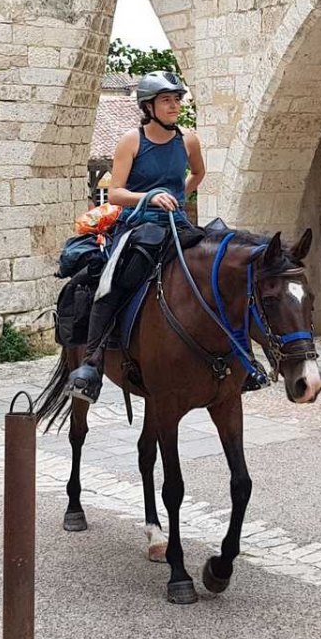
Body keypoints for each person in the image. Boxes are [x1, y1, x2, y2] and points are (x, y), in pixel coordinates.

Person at [66, 70, 206, 403]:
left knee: (216, 265)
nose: (174, 106)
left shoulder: (188, 140)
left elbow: (199, 173)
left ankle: (236, 355)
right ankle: (92, 363)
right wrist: (151, 197)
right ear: (148, 106)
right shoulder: (132, 141)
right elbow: (115, 193)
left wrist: (178, 197)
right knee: (115, 280)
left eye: (177, 100)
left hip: (176, 224)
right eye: (166, 100)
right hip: (137, 226)